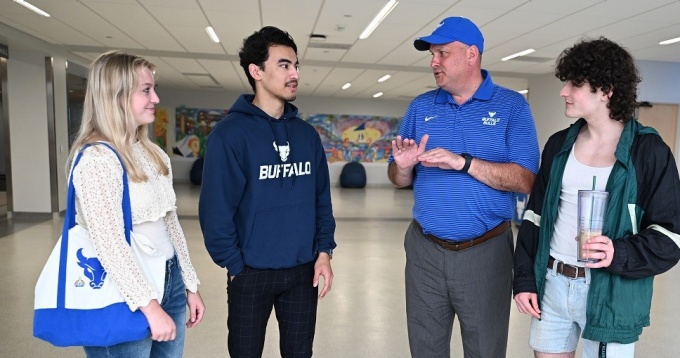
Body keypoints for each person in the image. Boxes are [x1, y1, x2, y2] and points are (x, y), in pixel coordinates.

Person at [513, 37, 680, 358]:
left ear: (607, 90)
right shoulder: (558, 144)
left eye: (575, 84)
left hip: (610, 292)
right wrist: (524, 280)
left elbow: (670, 236)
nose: (564, 92)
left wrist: (618, 251)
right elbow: (534, 216)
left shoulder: (649, 152)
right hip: (553, 283)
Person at [388, 16, 540, 357]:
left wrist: (464, 163)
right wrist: (402, 167)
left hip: (486, 252)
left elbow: (526, 180)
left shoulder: (512, 106)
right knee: (425, 349)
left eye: (442, 53)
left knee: (485, 349)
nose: (433, 62)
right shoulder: (420, 106)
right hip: (425, 250)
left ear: (472, 55)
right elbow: (399, 180)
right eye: (432, 54)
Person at [199, 26, 336, 358]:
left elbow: (321, 200)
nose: (295, 74)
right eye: (284, 65)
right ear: (256, 71)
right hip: (250, 273)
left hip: (303, 272)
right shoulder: (229, 135)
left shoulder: (306, 136)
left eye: (296, 65)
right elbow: (216, 210)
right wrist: (234, 266)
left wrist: (324, 252)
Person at [68, 50, 205, 357]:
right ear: (115, 97)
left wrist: (189, 283)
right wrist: (149, 305)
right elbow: (109, 243)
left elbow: (170, 224)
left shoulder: (154, 154)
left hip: (169, 280)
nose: (155, 97)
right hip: (122, 291)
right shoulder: (97, 159)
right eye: (146, 90)